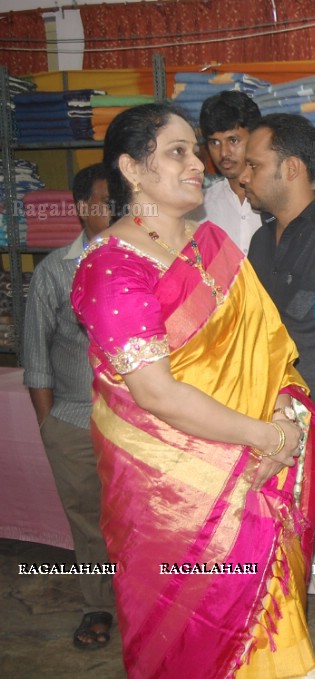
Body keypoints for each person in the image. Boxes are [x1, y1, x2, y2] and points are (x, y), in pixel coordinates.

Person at [70, 102, 315, 679]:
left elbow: (270, 346)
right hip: (176, 501)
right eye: (178, 151)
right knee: (195, 644)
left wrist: (287, 413)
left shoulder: (213, 242)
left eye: (197, 150)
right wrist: (268, 436)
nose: (201, 164)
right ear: (133, 169)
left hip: (256, 476)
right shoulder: (113, 266)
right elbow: (156, 393)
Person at [240, 112, 315, 620]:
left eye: (255, 165)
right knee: (298, 553)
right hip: (275, 424)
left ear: (293, 168)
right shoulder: (260, 244)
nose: (243, 175)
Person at [22, 163, 115, 651]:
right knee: (88, 521)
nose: (116, 210)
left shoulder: (141, 264)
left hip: (137, 420)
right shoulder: (54, 272)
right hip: (76, 420)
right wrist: (50, 429)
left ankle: (145, 601)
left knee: (141, 518)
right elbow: (36, 360)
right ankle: (96, 603)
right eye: (105, 202)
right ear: (81, 208)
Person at [188, 91, 263, 254]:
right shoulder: (199, 207)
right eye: (214, 142)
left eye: (233, 140)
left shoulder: (277, 202)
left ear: (255, 137)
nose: (223, 153)